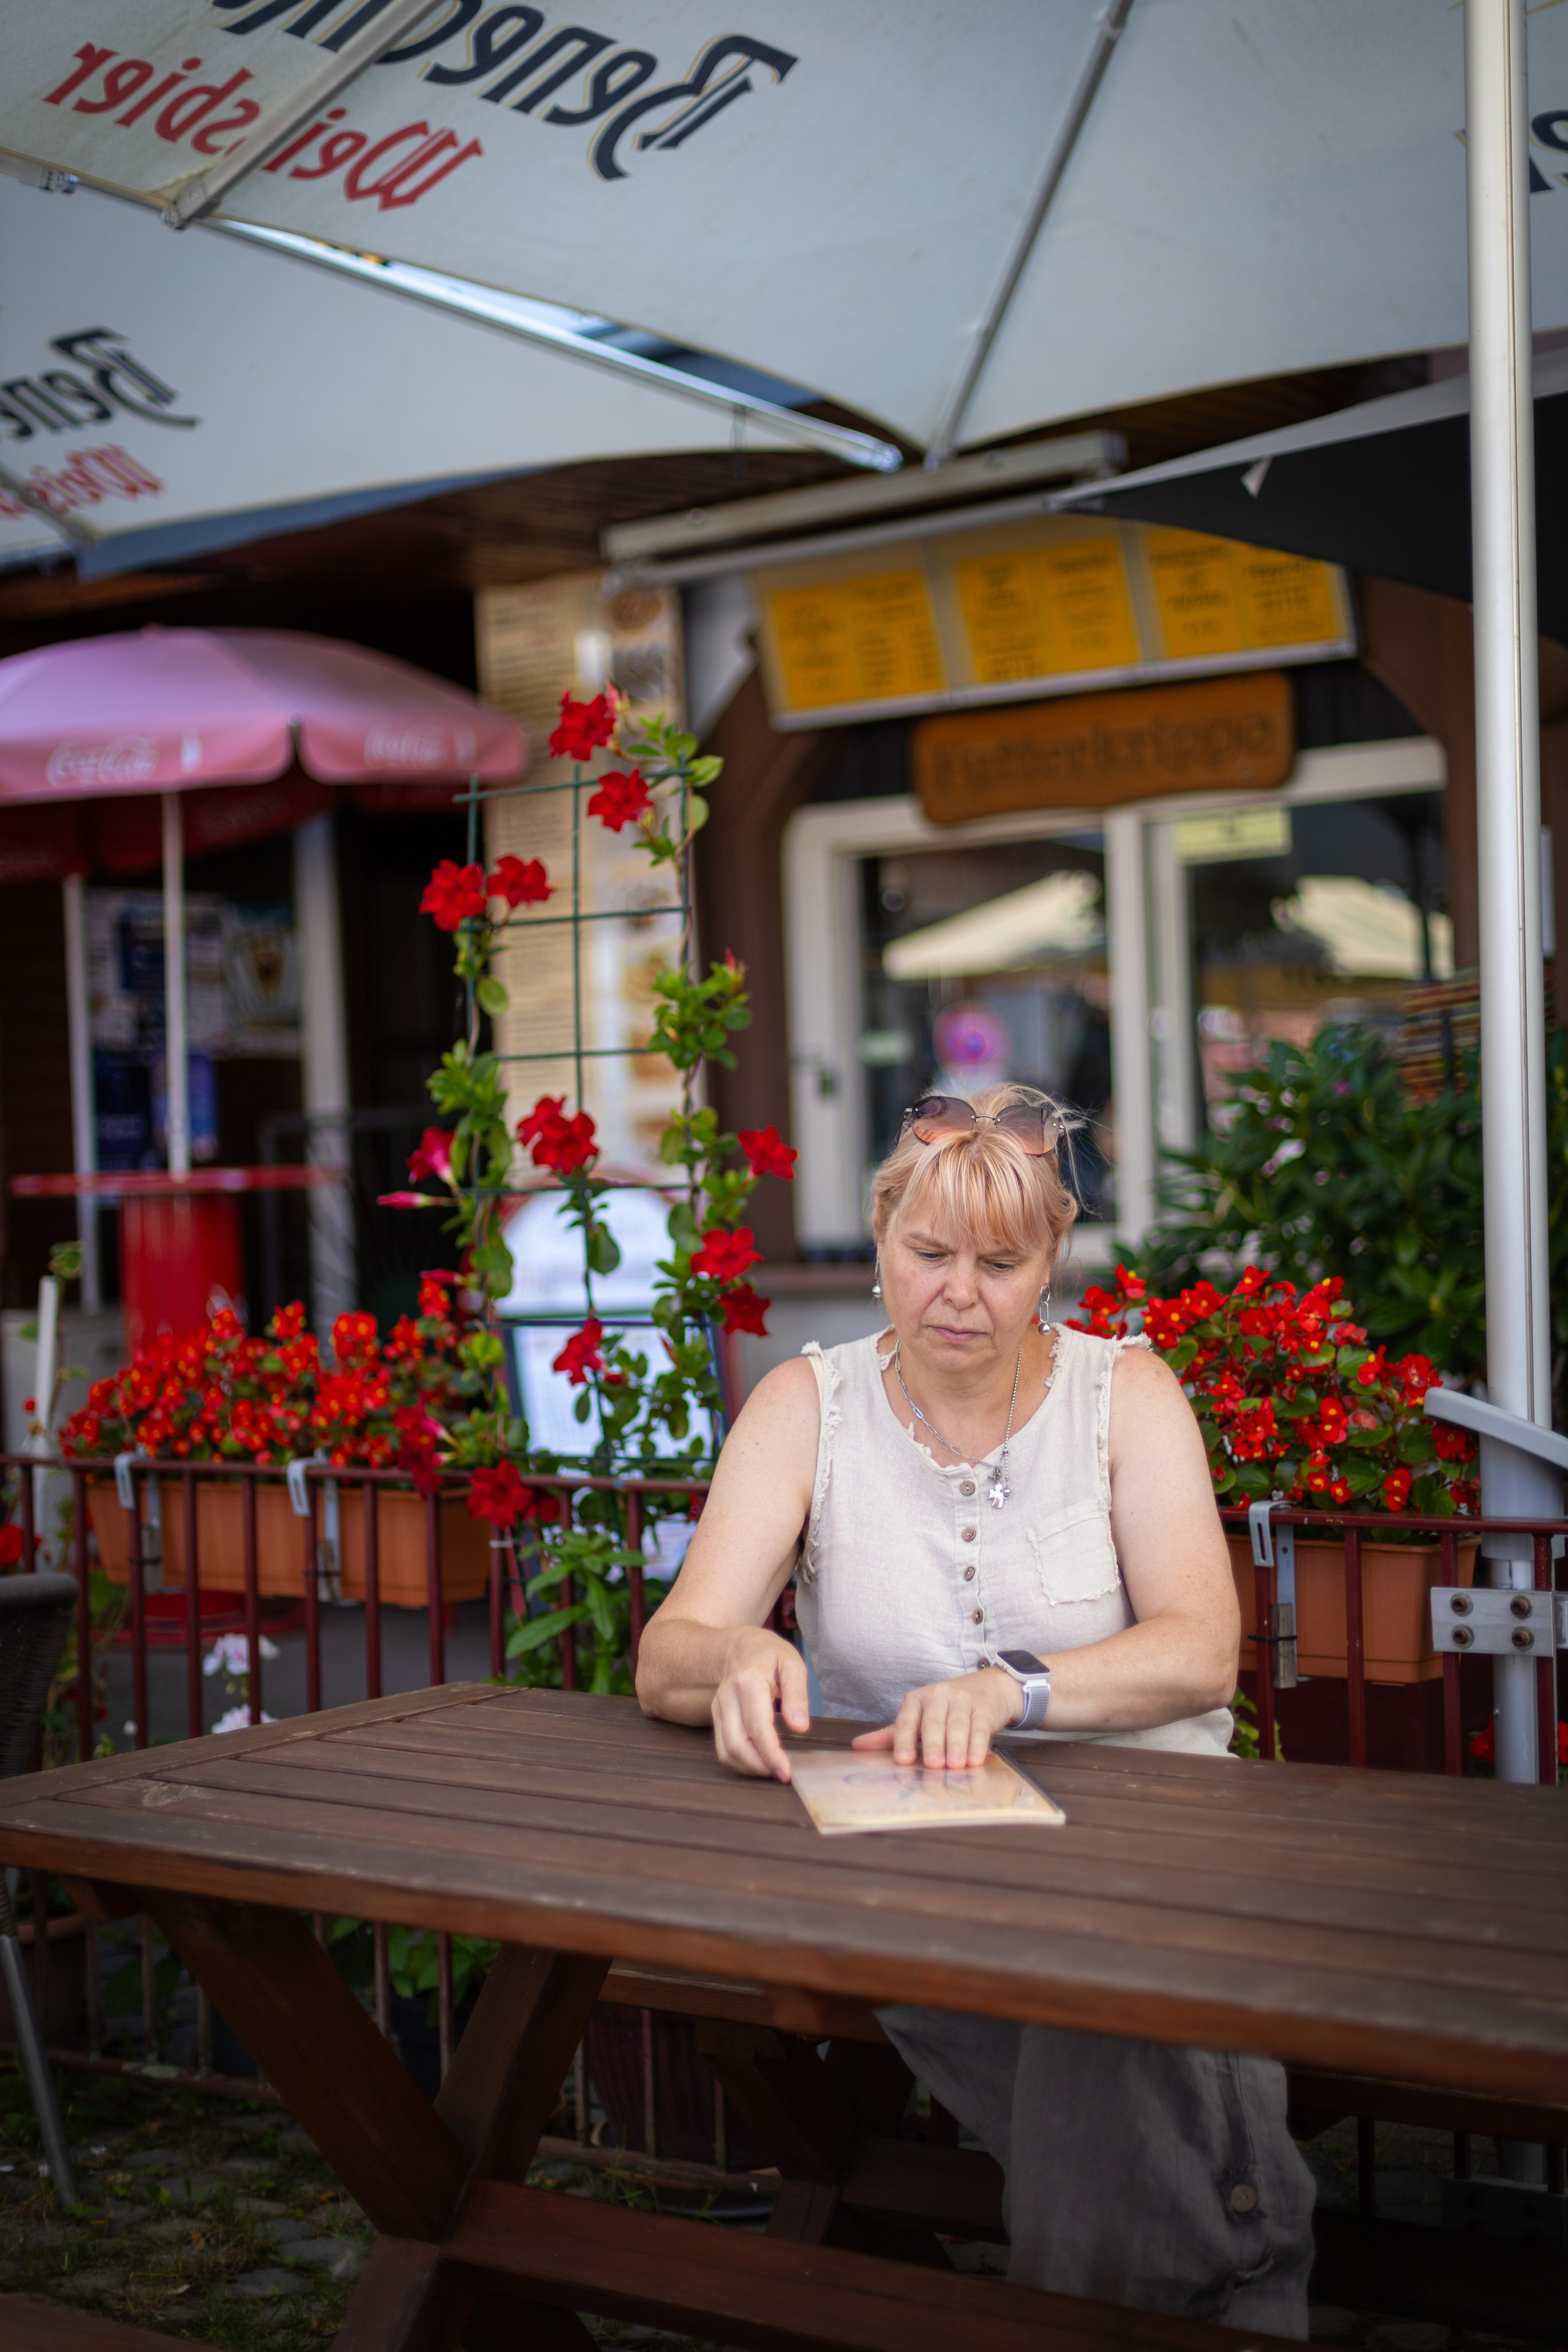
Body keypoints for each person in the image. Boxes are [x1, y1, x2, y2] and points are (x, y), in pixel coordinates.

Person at [634, 1084, 1316, 2334]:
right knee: (1100, 2037)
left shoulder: (1127, 1395)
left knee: (1097, 2006)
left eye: (998, 1263)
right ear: (879, 1235)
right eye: (926, 1252)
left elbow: (1201, 1651)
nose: (957, 1291)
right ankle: (1221, 2275)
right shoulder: (809, 1405)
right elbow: (666, 1652)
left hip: (1154, 1845)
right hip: (927, 1863)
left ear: (1051, 1260)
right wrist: (734, 1651)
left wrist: (1018, 1687)